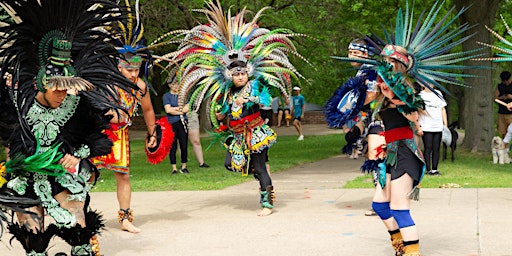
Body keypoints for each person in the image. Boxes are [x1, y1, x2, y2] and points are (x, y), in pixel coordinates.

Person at [0, 0, 139, 254]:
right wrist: (16, 164)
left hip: (63, 178)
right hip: (27, 179)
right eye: (57, 87)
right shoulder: (18, 107)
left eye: (66, 86)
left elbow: (100, 140)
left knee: (80, 235)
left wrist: (77, 154)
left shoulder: (77, 106)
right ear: (42, 82)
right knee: (33, 243)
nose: (63, 93)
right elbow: (11, 139)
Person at [163, 1, 308, 217]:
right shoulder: (228, 93)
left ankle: (267, 202)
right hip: (238, 135)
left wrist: (254, 98)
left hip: (256, 133)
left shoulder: (256, 86)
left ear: (248, 72)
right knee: (230, 164)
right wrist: (222, 115)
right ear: (230, 76)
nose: (240, 77)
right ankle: (263, 182)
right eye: (236, 74)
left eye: (242, 73)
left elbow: (264, 100)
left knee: (259, 166)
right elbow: (223, 113)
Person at [94, 0, 160, 234]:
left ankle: (125, 218)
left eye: (136, 69)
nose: (133, 73)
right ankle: (78, 214)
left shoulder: (140, 85)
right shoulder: (105, 81)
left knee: (123, 176)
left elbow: (149, 111)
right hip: (97, 133)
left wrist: (152, 133)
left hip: (120, 136)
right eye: (128, 69)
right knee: (85, 173)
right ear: (118, 66)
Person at [419, 86, 448, 175]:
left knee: (436, 147)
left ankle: (435, 169)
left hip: (437, 125)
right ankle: (428, 169)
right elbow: (418, 109)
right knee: (428, 147)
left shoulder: (438, 93)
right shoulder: (421, 95)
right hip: (426, 125)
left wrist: (445, 124)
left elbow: (442, 109)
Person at [164, 82, 190, 174]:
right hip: (172, 123)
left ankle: (184, 166)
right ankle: (174, 168)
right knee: (172, 146)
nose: (176, 86)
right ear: (170, 85)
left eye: (178, 84)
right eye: (174, 84)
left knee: (184, 144)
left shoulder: (183, 96)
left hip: (183, 123)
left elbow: (186, 109)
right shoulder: (167, 96)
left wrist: (174, 109)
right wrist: (180, 110)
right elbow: (168, 110)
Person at [494, 71, 512, 138]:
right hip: (502, 112)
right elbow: (495, 98)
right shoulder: (500, 86)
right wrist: (501, 97)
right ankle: (505, 146)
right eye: (505, 81)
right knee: (503, 132)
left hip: (511, 113)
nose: (507, 82)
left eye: (508, 80)